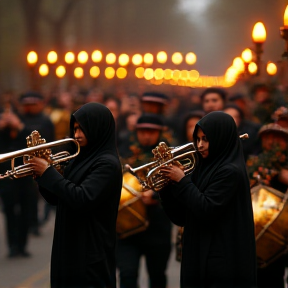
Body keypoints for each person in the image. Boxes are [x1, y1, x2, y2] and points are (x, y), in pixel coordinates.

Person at [158, 111, 257, 288]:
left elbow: (206, 208)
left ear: (221, 139)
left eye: (206, 139)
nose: (200, 145)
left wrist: (181, 180)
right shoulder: (201, 168)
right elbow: (182, 217)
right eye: (197, 139)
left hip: (221, 262)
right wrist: (166, 187)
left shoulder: (230, 171)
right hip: (198, 254)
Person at [29, 102, 123, 288]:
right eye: (75, 129)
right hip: (70, 246)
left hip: (90, 252)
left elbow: (82, 198)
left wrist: (48, 172)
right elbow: (58, 198)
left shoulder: (107, 164)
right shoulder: (79, 158)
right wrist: (41, 176)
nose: (77, 135)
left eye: (83, 129)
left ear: (98, 129)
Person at [117, 113, 172, 288]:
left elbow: (178, 188)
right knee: (127, 274)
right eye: (143, 131)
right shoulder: (123, 152)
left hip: (157, 227)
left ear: (160, 133)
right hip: (126, 228)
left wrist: (156, 196)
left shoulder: (169, 156)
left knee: (157, 276)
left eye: (151, 131)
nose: (147, 135)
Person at [246, 123, 288, 288]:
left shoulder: (284, 167)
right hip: (254, 227)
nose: (273, 142)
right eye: (268, 137)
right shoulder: (252, 163)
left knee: (274, 276)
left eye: (279, 138)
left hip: (279, 231)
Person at [0, 106, 37, 258]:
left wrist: (19, 126)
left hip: (25, 179)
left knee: (25, 212)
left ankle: (22, 245)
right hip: (6, 179)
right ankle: (12, 246)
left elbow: (32, 142)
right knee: (9, 213)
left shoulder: (24, 129)